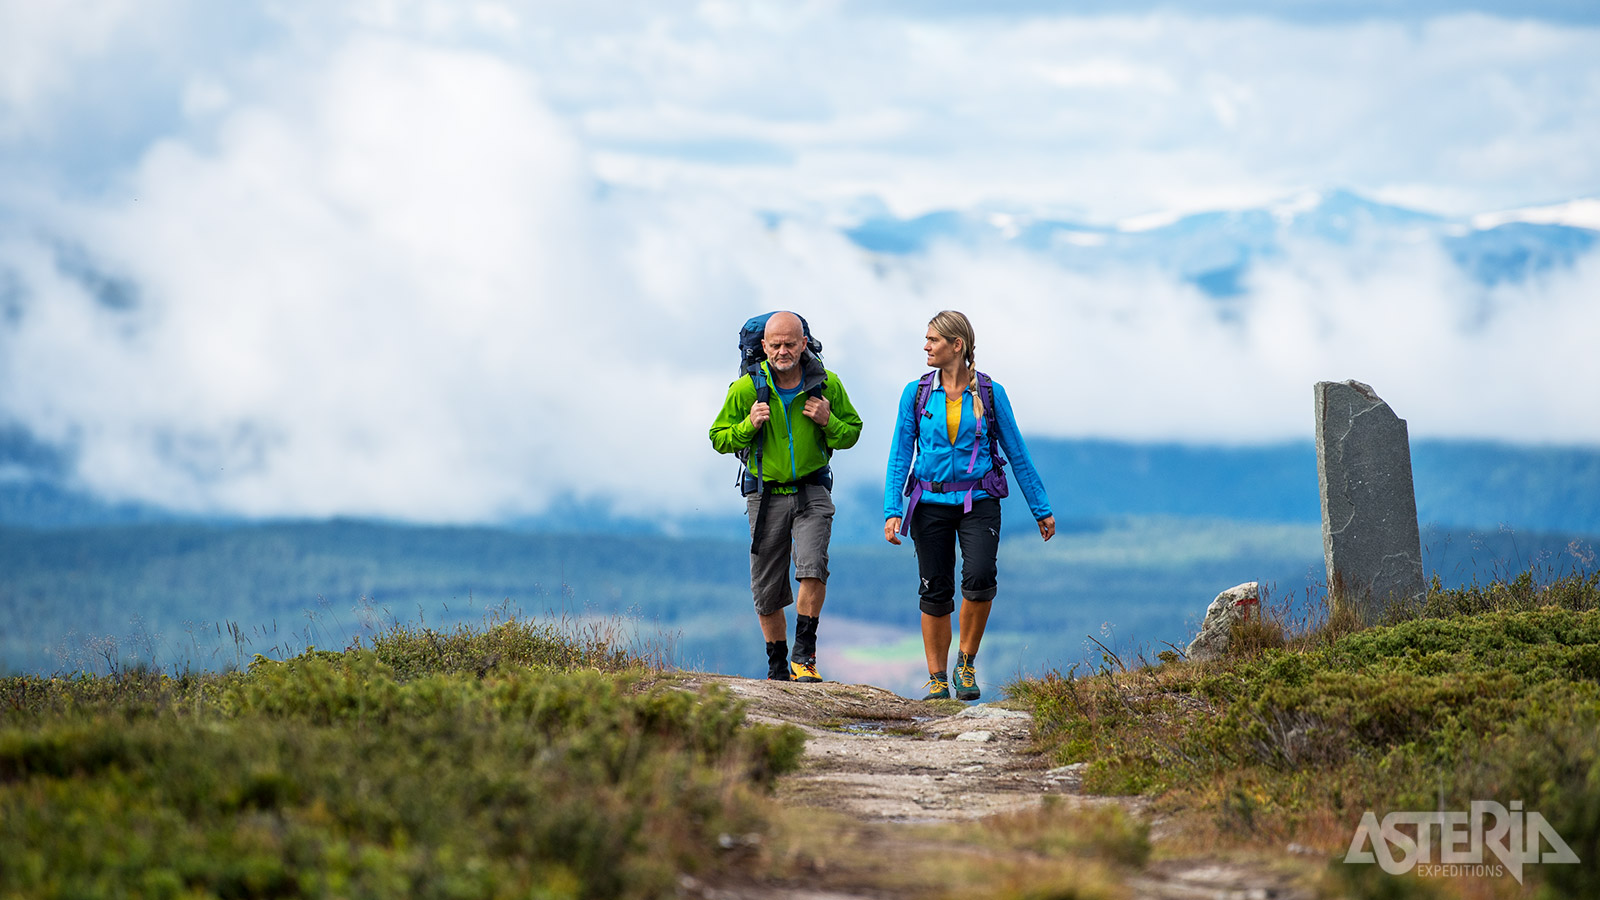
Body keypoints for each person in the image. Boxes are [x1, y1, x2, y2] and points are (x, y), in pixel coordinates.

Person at [883, 310, 1055, 701]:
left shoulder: (992, 394)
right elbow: (899, 455)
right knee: (934, 588)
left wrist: (1040, 508)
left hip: (979, 500)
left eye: (933, 340)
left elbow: (1016, 451)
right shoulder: (917, 393)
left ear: (956, 345)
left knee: (979, 578)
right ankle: (938, 679)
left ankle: (965, 663)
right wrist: (893, 509)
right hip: (928, 501)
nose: (925, 346)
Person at [710, 312, 863, 682]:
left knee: (812, 567)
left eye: (789, 344)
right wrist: (749, 424)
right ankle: (777, 667)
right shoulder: (746, 389)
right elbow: (719, 437)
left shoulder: (826, 385)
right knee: (767, 585)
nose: (782, 351)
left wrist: (829, 420)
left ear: (803, 343)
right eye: (775, 344)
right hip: (764, 496)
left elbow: (852, 432)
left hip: (813, 489)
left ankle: (803, 657)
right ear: (763, 346)